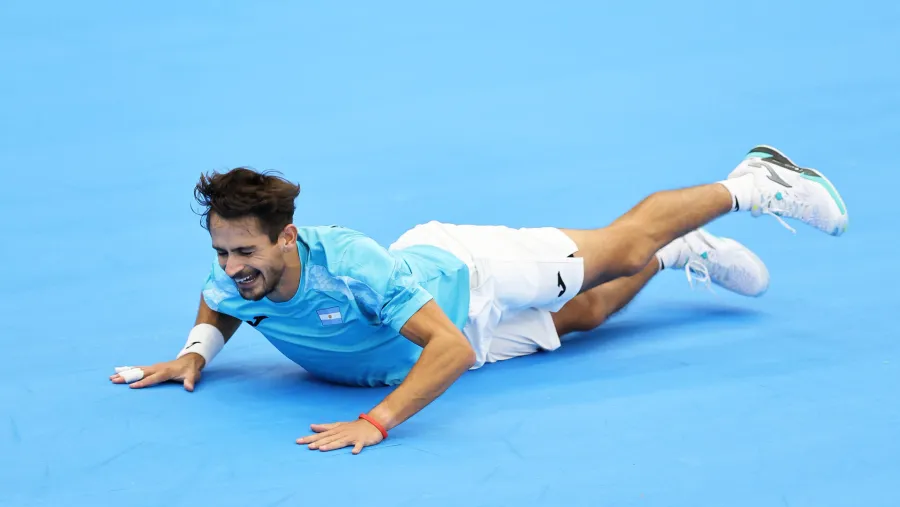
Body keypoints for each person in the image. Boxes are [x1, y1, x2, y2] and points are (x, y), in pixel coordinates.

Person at [110, 145, 848, 454]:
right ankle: (681, 250)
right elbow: (219, 301)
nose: (232, 267)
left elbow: (452, 349)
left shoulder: (353, 266)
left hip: (472, 274)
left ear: (287, 238)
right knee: (589, 314)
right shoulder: (232, 276)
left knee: (618, 249)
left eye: (245, 252)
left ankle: (754, 183)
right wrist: (194, 352)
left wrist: (375, 421)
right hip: (432, 341)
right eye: (222, 251)